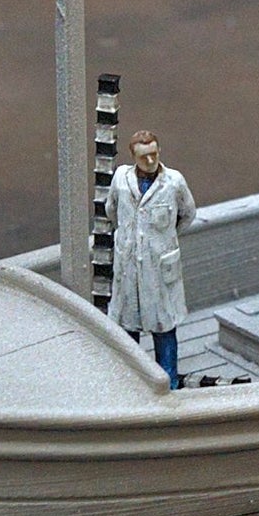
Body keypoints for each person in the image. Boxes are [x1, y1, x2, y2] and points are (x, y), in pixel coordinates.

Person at [106, 129, 196, 388]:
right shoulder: (121, 179)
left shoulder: (174, 182)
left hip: (159, 266)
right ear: (133, 157)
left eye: (154, 154)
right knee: (127, 328)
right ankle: (130, 381)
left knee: (164, 327)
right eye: (143, 156)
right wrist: (131, 240)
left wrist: (163, 240)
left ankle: (169, 383)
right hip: (129, 265)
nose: (150, 160)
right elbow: (111, 210)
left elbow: (188, 213)